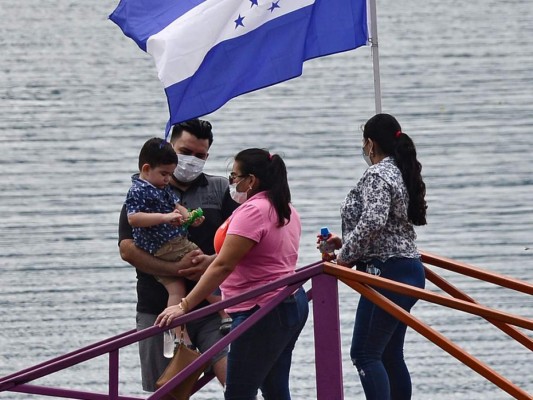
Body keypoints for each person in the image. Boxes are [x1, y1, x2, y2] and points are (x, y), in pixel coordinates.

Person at [156, 148, 309, 400]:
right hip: (289, 301)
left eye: (235, 176)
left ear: (251, 180)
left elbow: (224, 266)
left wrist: (184, 306)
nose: (232, 182)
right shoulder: (283, 207)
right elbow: (257, 252)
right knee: (275, 388)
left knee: (239, 393)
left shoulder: (253, 211)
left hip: (262, 309)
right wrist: (211, 259)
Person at [118, 119, 239, 392]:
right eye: (185, 152)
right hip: (159, 309)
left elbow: (244, 239)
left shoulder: (221, 190)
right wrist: (176, 270)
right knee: (166, 393)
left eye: (200, 155)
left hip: (213, 309)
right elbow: (127, 249)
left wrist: (212, 263)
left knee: (237, 385)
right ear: (171, 148)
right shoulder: (142, 192)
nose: (191, 161)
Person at [327, 113, 427, 400]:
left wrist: (344, 257)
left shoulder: (377, 173)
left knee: (365, 353)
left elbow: (374, 221)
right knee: (390, 354)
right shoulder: (401, 169)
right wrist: (345, 242)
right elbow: (389, 225)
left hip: (387, 271)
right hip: (409, 268)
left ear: (370, 144)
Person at [124, 137, 229, 345]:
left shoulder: (163, 187)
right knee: (202, 267)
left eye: (170, 174)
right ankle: (224, 312)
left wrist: (190, 217)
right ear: (146, 168)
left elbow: (177, 206)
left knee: (176, 290)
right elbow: (133, 218)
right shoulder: (138, 191)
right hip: (164, 245)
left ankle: (179, 335)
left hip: (170, 242)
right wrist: (164, 218)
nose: (167, 179)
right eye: (164, 174)